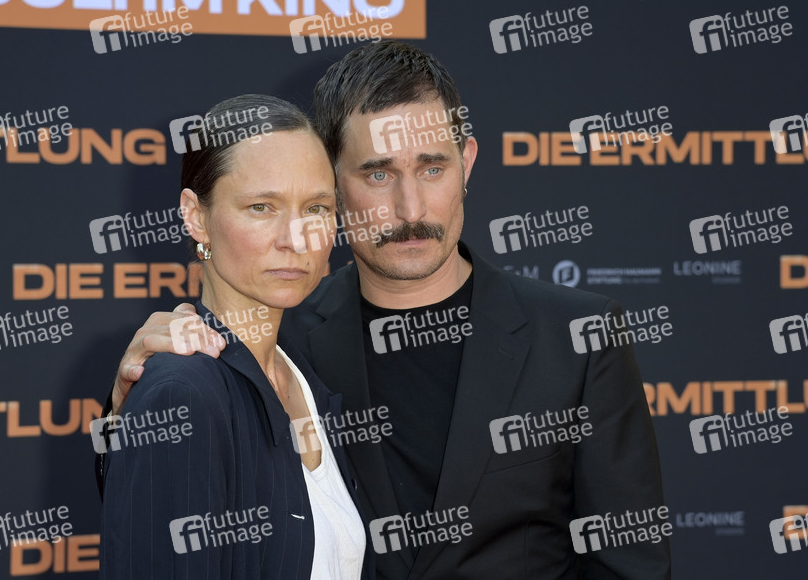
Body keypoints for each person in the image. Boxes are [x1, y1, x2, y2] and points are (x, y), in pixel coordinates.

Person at [100, 41, 671, 579]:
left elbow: (630, 561)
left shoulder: (577, 337)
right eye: (378, 173)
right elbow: (172, 510)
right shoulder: (282, 338)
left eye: (432, 167)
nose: (410, 208)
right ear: (332, 179)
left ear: (467, 163)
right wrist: (129, 408)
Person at [99, 94, 368, 580]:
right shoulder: (182, 392)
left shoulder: (305, 375)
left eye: (316, 208)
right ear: (195, 215)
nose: (295, 238)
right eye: (261, 207)